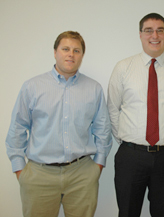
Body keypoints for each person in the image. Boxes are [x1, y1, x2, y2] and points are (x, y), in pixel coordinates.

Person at [5, 31, 112, 217]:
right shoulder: (32, 86)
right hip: (39, 174)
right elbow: (18, 128)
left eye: (76, 50)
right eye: (65, 49)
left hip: (82, 174)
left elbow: (102, 130)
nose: (71, 54)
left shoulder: (93, 88)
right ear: (55, 52)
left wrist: (97, 166)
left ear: (82, 55)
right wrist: (19, 169)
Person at [107, 13, 164, 217]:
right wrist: (126, 139)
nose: (155, 35)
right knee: (127, 212)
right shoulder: (123, 67)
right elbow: (112, 107)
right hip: (130, 156)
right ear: (140, 34)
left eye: (160, 30)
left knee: (163, 213)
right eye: (148, 30)